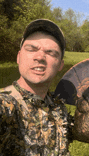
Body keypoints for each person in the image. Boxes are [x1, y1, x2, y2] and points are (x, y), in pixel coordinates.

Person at [0, 19, 74, 155]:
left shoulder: (58, 107)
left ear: (60, 65)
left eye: (51, 52)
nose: (40, 57)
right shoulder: (6, 104)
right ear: (18, 57)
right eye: (31, 49)